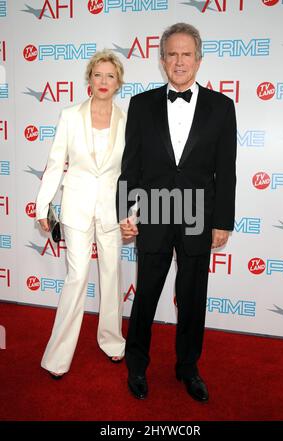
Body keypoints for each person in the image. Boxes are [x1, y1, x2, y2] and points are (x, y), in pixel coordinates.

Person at [117, 23, 237, 402]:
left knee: (192, 296)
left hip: (198, 215)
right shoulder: (141, 104)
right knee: (147, 294)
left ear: (198, 60)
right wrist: (125, 212)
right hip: (152, 212)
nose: (179, 61)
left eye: (187, 54)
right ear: (162, 59)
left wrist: (222, 221)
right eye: (172, 54)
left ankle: (188, 368)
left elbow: (226, 169)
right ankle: (137, 364)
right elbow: (131, 166)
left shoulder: (221, 106)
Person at [36, 50, 126, 379]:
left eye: (110, 76)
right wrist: (43, 204)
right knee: (76, 278)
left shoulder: (128, 120)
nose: (103, 81)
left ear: (118, 83)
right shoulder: (70, 115)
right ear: (89, 79)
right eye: (97, 75)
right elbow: (55, 162)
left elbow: (131, 172)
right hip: (75, 207)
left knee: (112, 276)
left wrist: (132, 213)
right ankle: (57, 357)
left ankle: (113, 342)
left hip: (112, 211)